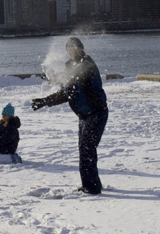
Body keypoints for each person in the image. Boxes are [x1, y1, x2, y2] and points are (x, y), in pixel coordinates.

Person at [32, 37, 108, 195]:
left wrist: (61, 77)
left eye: (75, 47)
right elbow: (66, 93)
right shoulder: (70, 67)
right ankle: (92, 184)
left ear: (81, 48)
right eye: (69, 48)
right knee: (85, 149)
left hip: (96, 113)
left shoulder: (87, 64)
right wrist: (45, 101)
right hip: (84, 115)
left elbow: (77, 77)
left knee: (87, 149)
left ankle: (91, 188)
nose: (71, 51)